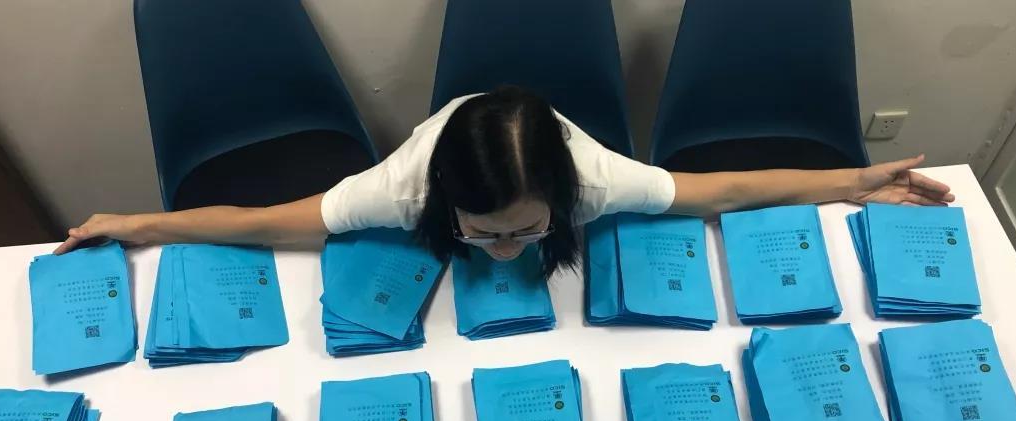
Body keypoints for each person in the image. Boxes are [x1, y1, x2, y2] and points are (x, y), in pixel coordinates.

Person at [56, 86, 954, 275]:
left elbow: (719, 191)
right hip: (454, 129)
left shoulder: (595, 180)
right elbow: (268, 222)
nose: (504, 251)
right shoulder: (400, 188)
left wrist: (853, 181)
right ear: (445, 207)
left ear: (563, 204)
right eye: (482, 234)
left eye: (527, 231)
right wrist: (140, 223)